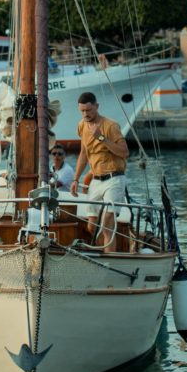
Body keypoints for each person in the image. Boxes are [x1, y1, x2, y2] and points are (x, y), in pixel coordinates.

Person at [70, 91, 129, 252]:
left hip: (114, 178)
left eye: (88, 110)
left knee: (107, 225)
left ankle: (111, 262)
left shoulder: (110, 126)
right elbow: (84, 153)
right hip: (95, 180)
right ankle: (98, 258)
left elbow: (124, 152)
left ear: (96, 107)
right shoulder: (82, 125)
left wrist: (101, 138)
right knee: (92, 227)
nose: (85, 114)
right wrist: (75, 179)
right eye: (82, 111)